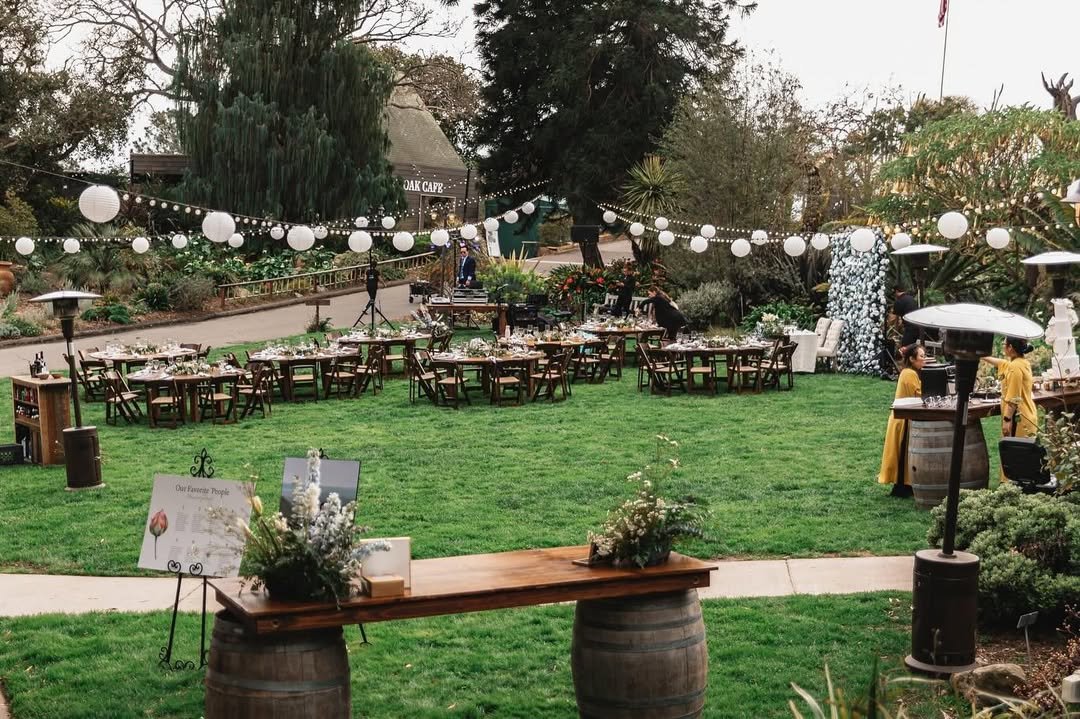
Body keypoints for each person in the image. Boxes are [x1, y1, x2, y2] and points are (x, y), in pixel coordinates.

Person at [981, 338, 1038, 483]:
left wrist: (1007, 420)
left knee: (1015, 457)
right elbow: (1001, 363)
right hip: (1027, 415)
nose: (1002, 346)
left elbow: (1013, 399)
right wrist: (981, 356)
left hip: (1018, 418)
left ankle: (1014, 487)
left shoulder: (1015, 367)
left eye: (1004, 344)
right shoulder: (1020, 362)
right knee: (1022, 456)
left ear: (1010, 347)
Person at [877, 343, 926, 497]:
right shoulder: (909, 374)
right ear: (912, 359)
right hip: (903, 420)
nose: (924, 359)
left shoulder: (909, 372)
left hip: (903, 418)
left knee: (904, 453)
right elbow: (919, 394)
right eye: (921, 356)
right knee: (902, 453)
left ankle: (905, 485)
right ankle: (902, 485)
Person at [892, 286, 920, 350]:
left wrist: (894, 334)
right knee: (913, 347)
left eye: (894, 294)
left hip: (910, 328)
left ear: (896, 291)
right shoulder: (911, 298)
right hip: (918, 326)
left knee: (904, 348)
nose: (894, 296)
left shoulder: (898, 301)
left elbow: (895, 320)